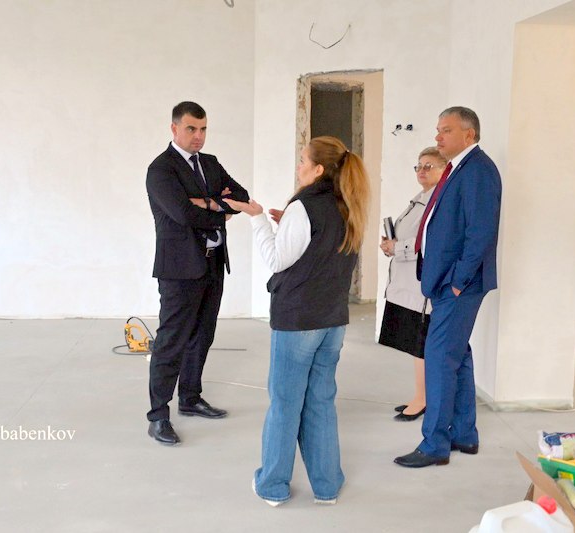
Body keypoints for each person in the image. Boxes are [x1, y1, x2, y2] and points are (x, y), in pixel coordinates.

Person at [225, 136, 369, 506]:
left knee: (285, 404)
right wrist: (286, 223)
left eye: (303, 160)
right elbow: (318, 250)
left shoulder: (304, 206)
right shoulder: (348, 205)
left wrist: (258, 218)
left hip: (299, 320)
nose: (298, 166)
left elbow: (277, 260)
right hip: (332, 320)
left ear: (318, 169)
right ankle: (327, 487)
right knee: (321, 402)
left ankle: (272, 486)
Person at [394, 107, 502, 468]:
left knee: (439, 358)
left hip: (458, 285)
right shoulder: (460, 167)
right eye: (438, 130)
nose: (438, 137)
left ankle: (435, 445)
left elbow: (480, 232)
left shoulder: (478, 170)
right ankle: (465, 434)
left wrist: (458, 281)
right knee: (457, 355)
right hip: (444, 280)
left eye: (446, 130)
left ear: (468, 134)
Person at [145, 101, 249, 445]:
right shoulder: (161, 169)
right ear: (174, 128)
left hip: (213, 263)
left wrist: (203, 201)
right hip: (179, 268)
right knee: (171, 341)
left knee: (203, 334)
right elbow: (182, 214)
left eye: (203, 129)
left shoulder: (211, 163)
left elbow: (242, 196)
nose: (198, 136)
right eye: (191, 129)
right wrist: (218, 207)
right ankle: (158, 416)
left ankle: (190, 398)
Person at [379, 147, 448, 422]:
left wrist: (397, 247)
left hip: (421, 287)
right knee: (414, 344)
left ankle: (423, 400)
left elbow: (428, 243)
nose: (422, 170)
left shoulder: (439, 200)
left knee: (422, 346)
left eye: (429, 166)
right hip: (406, 284)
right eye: (419, 166)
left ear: (444, 170)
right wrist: (391, 245)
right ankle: (420, 396)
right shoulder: (420, 199)